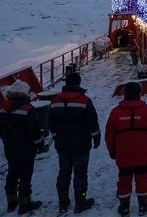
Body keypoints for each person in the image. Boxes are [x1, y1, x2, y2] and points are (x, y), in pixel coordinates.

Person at [105, 81, 147, 216]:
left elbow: (109, 135)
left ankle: (124, 207)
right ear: (139, 94)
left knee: (124, 180)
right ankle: (143, 205)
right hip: (142, 153)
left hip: (123, 154)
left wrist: (111, 150)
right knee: (143, 179)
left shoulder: (115, 112)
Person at [48, 72, 101, 212]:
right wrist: (96, 138)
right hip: (81, 144)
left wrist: (56, 137)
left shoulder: (55, 101)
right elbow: (92, 122)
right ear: (78, 83)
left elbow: (51, 124)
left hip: (62, 144)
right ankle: (81, 201)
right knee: (80, 173)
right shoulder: (84, 101)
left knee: (63, 172)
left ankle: (63, 202)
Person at [0, 80, 45, 214]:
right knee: (25, 175)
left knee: (12, 173)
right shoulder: (28, 109)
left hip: (10, 149)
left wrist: (7, 141)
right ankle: (25, 202)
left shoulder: (3, 108)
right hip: (26, 149)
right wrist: (40, 144)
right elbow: (34, 131)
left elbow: (0, 129)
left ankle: (11, 202)